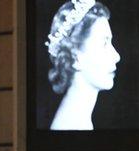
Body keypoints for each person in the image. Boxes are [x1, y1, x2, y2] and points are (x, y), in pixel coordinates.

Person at [46, 0, 120, 130]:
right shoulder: (71, 126)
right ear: (75, 58)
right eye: (104, 43)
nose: (116, 56)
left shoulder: (79, 120)